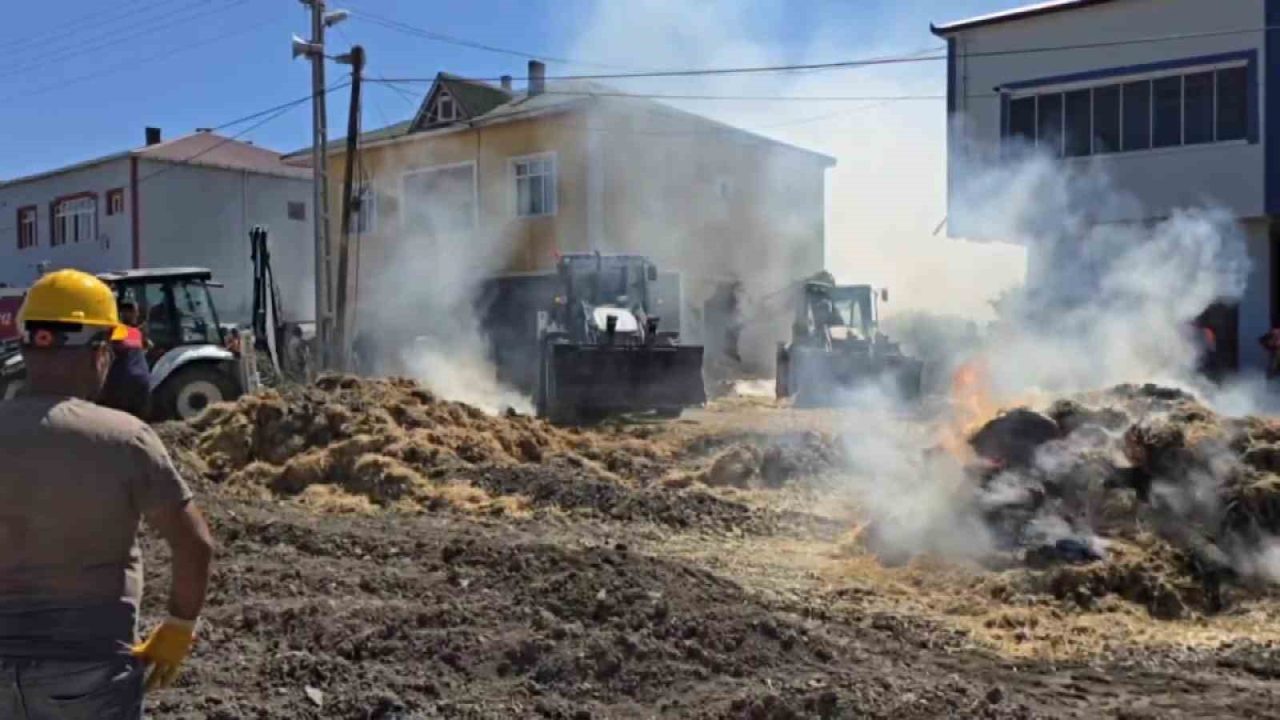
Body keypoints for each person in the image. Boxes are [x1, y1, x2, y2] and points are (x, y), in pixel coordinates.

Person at [0, 269, 215, 719]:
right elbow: (194, 544)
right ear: (99, 352)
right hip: (88, 673)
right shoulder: (123, 438)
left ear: (26, 344)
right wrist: (178, 627)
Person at [98, 298, 152, 419]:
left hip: (122, 381)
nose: (137, 314)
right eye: (135, 311)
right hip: (141, 380)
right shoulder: (136, 332)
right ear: (127, 313)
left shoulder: (119, 330)